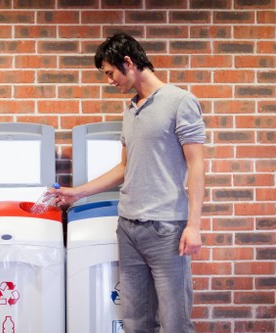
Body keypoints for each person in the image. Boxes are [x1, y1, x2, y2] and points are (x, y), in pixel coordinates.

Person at [52, 33, 206, 333]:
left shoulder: (181, 102)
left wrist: (194, 224)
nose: (109, 80)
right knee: (135, 323)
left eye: (110, 72)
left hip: (166, 229)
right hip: (129, 227)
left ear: (128, 62)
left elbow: (196, 164)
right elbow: (125, 167)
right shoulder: (130, 109)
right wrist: (77, 193)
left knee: (175, 323)